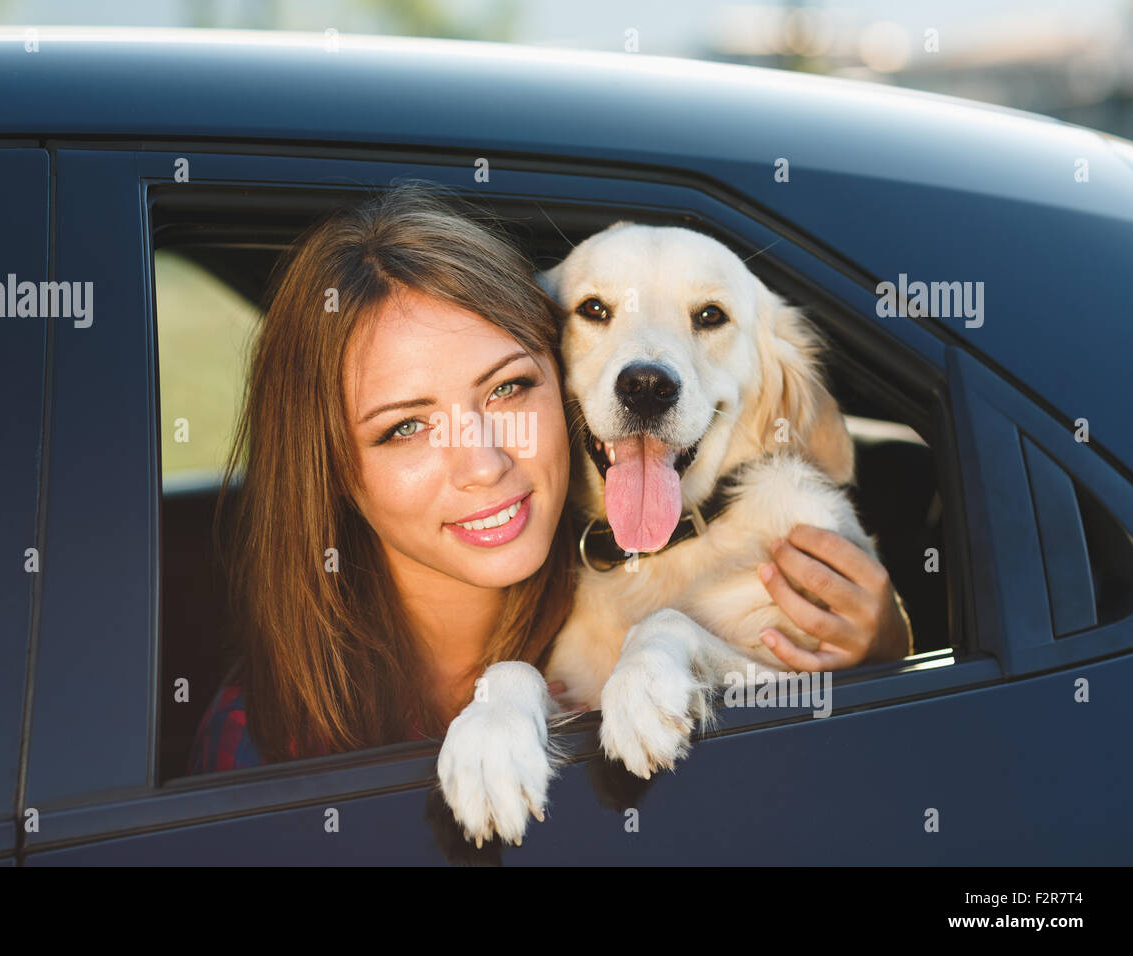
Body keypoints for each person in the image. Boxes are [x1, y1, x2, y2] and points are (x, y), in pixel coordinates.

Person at [188, 183, 911, 775]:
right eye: (404, 427)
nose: (483, 462)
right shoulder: (261, 739)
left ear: (552, 375)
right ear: (333, 468)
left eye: (505, 389)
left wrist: (881, 654)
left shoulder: (625, 599)